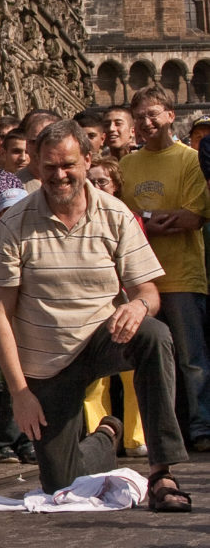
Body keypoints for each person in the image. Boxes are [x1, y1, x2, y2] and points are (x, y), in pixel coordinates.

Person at [0, 119, 192, 510]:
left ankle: (163, 471)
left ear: (87, 160)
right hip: (46, 359)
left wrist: (137, 304)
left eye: (68, 165)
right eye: (49, 167)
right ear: (35, 164)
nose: (59, 175)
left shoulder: (116, 216)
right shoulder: (14, 223)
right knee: (61, 488)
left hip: (103, 339)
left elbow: (148, 292)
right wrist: (21, 393)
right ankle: (106, 437)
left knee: (153, 334)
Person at [121, 86, 210, 452]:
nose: (147, 122)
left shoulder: (189, 159)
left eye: (153, 114)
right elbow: (123, 219)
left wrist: (144, 221)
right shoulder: (127, 164)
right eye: (140, 117)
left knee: (192, 359)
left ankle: (202, 427)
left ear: (171, 115)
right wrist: (149, 219)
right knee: (151, 359)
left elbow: (192, 217)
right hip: (140, 280)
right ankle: (162, 431)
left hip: (183, 274)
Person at [81, 156, 148, 458]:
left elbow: (140, 266)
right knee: (94, 380)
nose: (95, 187)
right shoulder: (79, 218)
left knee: (132, 374)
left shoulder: (127, 217)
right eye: (90, 181)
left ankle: (136, 437)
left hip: (122, 303)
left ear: (116, 186)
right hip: (91, 307)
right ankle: (100, 439)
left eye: (102, 181)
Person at [15, 110, 60, 193]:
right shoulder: (13, 185)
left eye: (47, 141)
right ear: (27, 144)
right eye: (34, 142)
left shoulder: (72, 181)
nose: (40, 148)